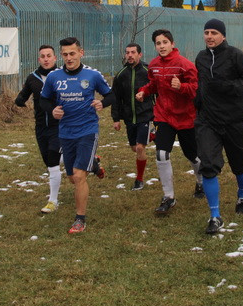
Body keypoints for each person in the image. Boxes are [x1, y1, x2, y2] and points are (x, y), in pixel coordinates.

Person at [40, 37, 114, 234]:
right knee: (72, 177)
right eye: (65, 54)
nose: (69, 58)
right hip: (66, 132)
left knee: (80, 176)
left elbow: (111, 95)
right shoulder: (54, 77)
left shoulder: (93, 75)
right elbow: (43, 100)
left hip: (88, 130)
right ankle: (94, 164)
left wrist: (102, 103)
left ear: (81, 53)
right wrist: (52, 110)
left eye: (72, 53)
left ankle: (80, 219)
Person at [194, 19, 243, 234]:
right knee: (208, 165)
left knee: (239, 164)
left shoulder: (235, 55)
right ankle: (215, 216)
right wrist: (198, 103)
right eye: (206, 32)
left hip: (234, 120)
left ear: (223, 35)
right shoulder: (201, 58)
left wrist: (227, 86)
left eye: (214, 32)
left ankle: (242, 194)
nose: (209, 36)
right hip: (208, 121)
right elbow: (201, 85)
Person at [135, 29, 203, 216]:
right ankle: (168, 196)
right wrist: (144, 91)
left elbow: (196, 89)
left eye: (165, 42)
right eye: (158, 43)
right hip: (163, 116)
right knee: (162, 153)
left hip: (186, 117)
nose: (162, 46)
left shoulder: (185, 65)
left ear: (172, 44)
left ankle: (201, 182)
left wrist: (181, 86)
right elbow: (154, 84)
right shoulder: (154, 65)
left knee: (192, 155)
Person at [15, 45, 64, 214]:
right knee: (49, 160)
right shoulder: (33, 78)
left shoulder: (62, 76)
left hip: (59, 125)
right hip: (41, 127)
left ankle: (53, 201)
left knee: (53, 161)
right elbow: (24, 95)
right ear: (39, 59)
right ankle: (89, 161)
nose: (46, 59)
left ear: (55, 58)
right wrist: (20, 100)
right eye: (43, 56)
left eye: (49, 56)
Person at [111, 43, 154, 191]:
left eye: (133, 52)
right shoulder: (121, 74)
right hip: (129, 116)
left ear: (139, 54)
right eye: (127, 52)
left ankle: (139, 179)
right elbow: (115, 98)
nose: (129, 55)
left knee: (140, 148)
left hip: (145, 114)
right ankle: (152, 135)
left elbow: (157, 91)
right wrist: (116, 119)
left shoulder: (148, 71)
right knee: (134, 148)